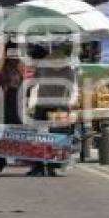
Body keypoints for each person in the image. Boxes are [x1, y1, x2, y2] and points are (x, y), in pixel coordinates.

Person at [27, 42, 79, 177]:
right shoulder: (68, 70)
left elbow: (34, 82)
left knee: (38, 137)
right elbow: (71, 88)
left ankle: (38, 166)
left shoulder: (43, 67)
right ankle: (52, 166)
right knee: (57, 138)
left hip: (42, 106)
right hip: (59, 107)